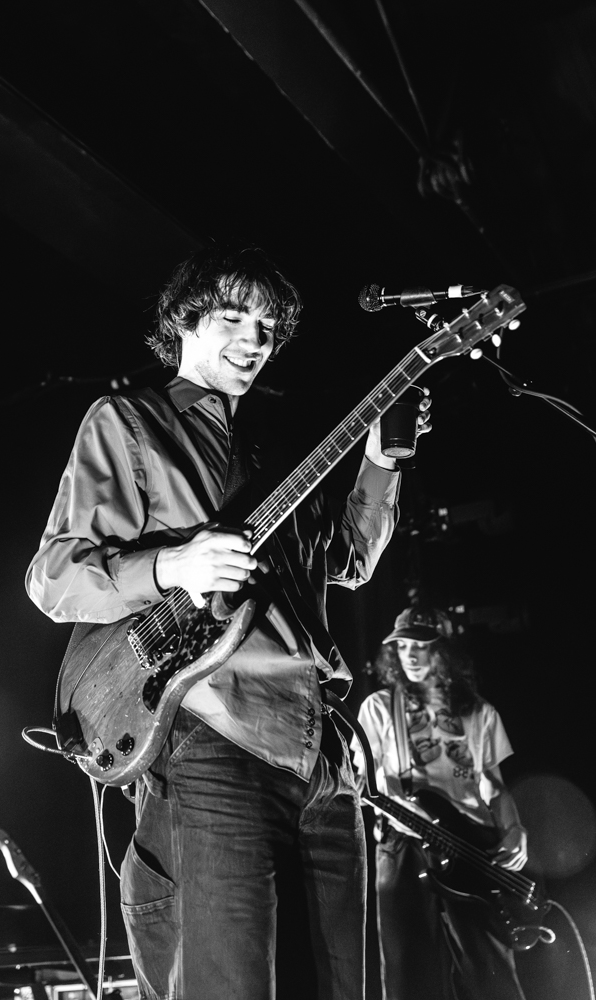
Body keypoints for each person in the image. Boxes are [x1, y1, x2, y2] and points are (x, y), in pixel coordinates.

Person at [26, 240, 430, 1000]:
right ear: (184, 322)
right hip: (212, 736)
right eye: (233, 318)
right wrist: (171, 566)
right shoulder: (131, 423)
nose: (255, 340)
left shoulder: (282, 455)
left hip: (321, 756)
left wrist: (381, 462)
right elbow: (54, 577)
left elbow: (346, 560)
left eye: (269, 328)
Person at [353, 606, 528, 1000]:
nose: (410, 656)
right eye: (402, 647)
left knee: (492, 975)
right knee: (409, 976)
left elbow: (494, 785)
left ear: (444, 651)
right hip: (404, 845)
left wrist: (515, 829)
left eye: (421, 646)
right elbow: (362, 779)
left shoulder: (479, 711)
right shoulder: (379, 707)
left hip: (472, 848)